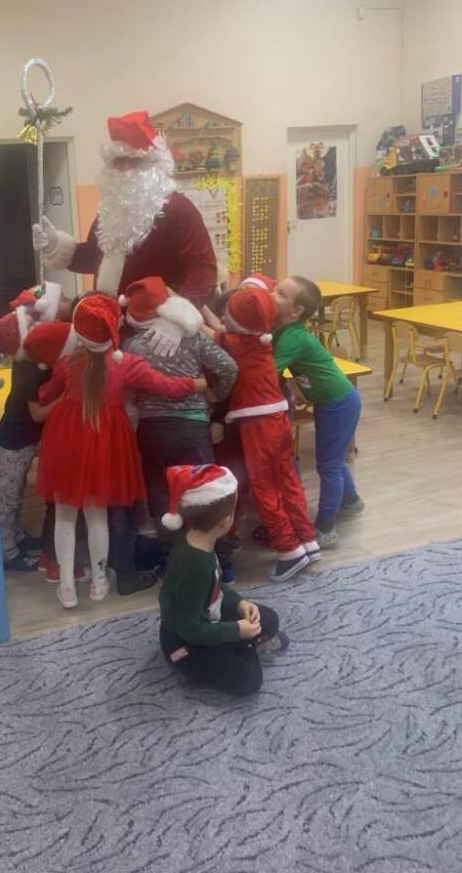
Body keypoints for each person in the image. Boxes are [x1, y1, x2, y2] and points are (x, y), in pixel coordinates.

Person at [36, 293, 207, 609]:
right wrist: (197, 384)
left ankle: (67, 588)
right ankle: (99, 582)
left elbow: (46, 393)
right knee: (97, 514)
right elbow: (166, 386)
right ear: (114, 326)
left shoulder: (67, 363)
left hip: (65, 437)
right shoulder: (127, 364)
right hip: (106, 441)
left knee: (64, 515)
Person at [33, 110, 217, 326]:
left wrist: (178, 319)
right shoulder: (110, 211)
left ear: (154, 163)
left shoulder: (178, 209)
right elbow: (93, 257)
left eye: (135, 160)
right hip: (109, 324)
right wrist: (55, 245)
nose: (126, 169)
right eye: (119, 160)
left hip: (153, 328)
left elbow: (203, 270)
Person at [121, 276, 239, 579]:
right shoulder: (194, 338)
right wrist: (216, 395)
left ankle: (173, 562)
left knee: (163, 499)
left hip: (152, 432)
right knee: (207, 494)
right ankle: (222, 564)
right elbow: (229, 368)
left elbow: (127, 390)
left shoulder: (133, 346)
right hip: (193, 428)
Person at [159, 464, 288, 697]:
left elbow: (215, 587)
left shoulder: (197, 540)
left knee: (268, 619)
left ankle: (241, 647)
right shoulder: (194, 566)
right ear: (225, 522)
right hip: (183, 645)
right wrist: (237, 631)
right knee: (250, 681)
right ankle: (192, 667)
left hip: (208, 617)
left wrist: (239, 603)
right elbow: (189, 630)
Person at [218, 286, 319, 581]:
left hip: (258, 425)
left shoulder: (237, 343)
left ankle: (289, 550)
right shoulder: (261, 340)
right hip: (280, 419)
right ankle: (307, 540)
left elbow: (210, 331)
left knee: (264, 487)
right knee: (288, 481)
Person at [273, 276, 364, 548]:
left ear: (296, 311)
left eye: (280, 293)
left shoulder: (293, 337)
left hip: (339, 403)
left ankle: (325, 528)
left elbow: (267, 372)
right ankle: (351, 500)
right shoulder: (284, 330)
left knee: (328, 465)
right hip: (332, 402)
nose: (271, 294)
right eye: (275, 288)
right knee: (333, 459)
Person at [0, 305, 76, 572]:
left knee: (13, 494)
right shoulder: (32, 371)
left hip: (20, 440)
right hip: (14, 442)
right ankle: (7, 553)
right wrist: (66, 397)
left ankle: (15, 537)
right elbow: (37, 415)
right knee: (7, 499)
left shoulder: (29, 362)